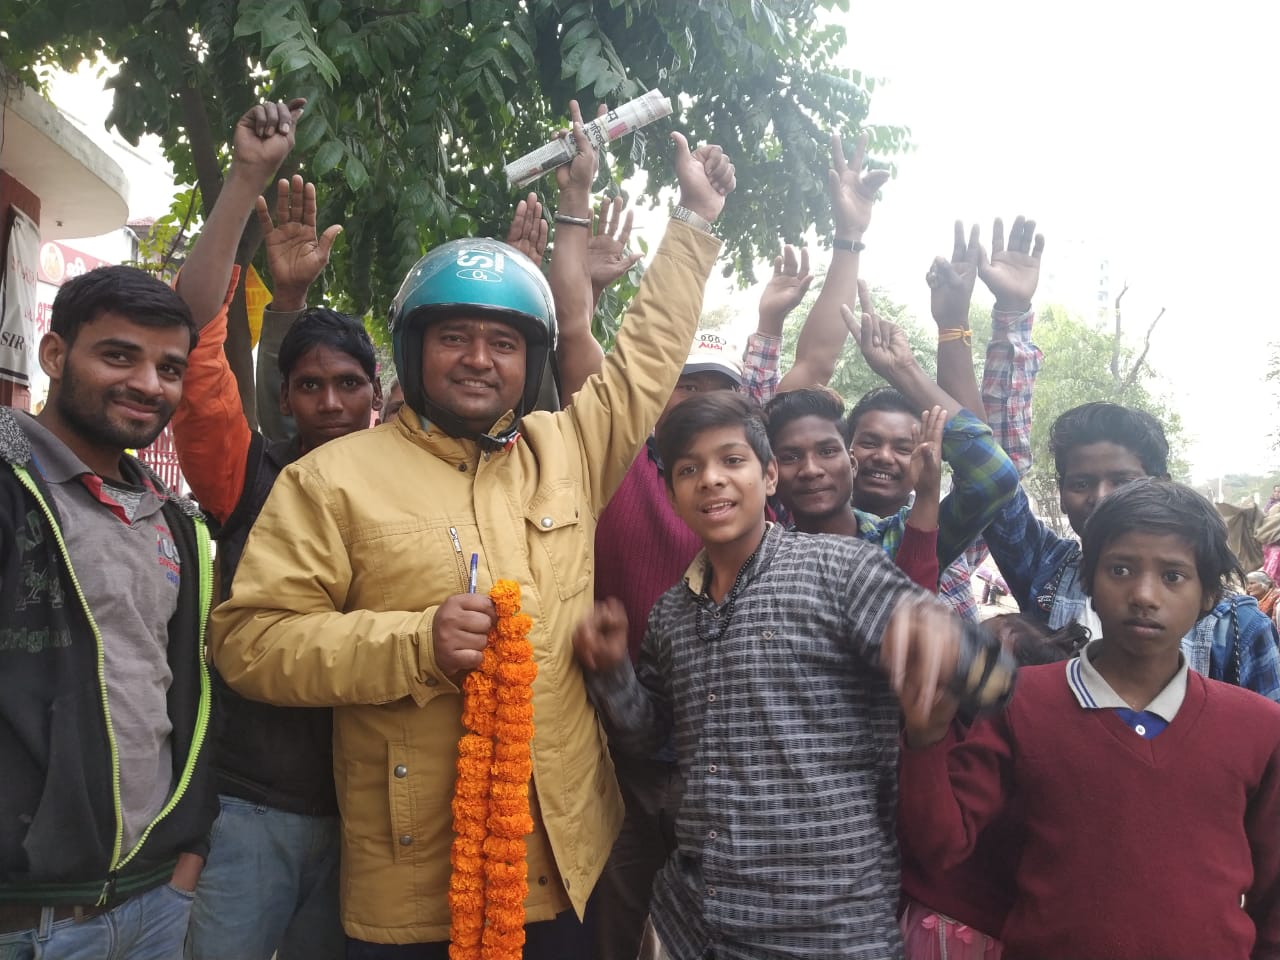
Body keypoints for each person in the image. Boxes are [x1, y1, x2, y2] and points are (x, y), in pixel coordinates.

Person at [209, 105, 735, 955]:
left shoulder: (565, 449)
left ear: (531, 364)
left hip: (569, 864)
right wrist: (414, 644)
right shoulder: (330, 479)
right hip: (416, 887)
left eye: (503, 342)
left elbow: (644, 360)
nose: (480, 359)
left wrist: (695, 222)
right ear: (415, 351)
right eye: (455, 336)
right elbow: (248, 644)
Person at [573, 391, 1016, 959]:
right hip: (691, 925)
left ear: (770, 476)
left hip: (830, 931)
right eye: (690, 468)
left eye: (732, 460)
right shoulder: (669, 613)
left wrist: (949, 652)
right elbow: (654, 739)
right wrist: (612, 673)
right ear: (671, 493)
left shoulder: (843, 569)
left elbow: (993, 677)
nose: (711, 479)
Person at [583, 131, 878, 960]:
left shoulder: (820, 564)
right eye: (683, 390)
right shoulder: (624, 479)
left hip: (787, 843)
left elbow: (817, 358)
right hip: (646, 770)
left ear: (764, 467)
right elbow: (580, 344)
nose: (711, 475)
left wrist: (848, 238)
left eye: (719, 399)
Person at [899, 479, 1280, 960]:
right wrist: (926, 740)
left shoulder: (1258, 728)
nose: (1143, 594)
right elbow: (942, 845)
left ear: (1208, 595)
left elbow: (1273, 891)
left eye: (1173, 576)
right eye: (1120, 569)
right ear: (1090, 583)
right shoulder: (1024, 704)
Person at [169, 101, 364, 960]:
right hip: (248, 814)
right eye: (310, 386)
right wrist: (246, 178)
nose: (330, 402)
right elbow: (195, 341)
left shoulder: (412, 491)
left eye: (349, 384)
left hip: (370, 823)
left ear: (380, 398)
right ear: (285, 400)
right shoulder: (248, 480)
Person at [0, 265, 216, 957]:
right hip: (28, 918)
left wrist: (185, 861)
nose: (149, 384)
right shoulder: (10, 487)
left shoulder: (172, 517)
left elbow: (177, 688)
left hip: (152, 897)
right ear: (56, 355)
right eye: (119, 355)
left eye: (169, 367)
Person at [983, 400, 1280, 701]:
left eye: (1122, 481)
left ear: (1161, 487)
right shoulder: (1046, 568)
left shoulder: (1234, 625)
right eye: (1081, 483)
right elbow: (984, 469)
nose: (1100, 497)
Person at [764, 385, 946, 590]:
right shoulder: (765, 561)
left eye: (827, 451)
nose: (811, 470)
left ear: (852, 464)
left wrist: (928, 494)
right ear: (770, 475)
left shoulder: (900, 536)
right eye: (791, 457)